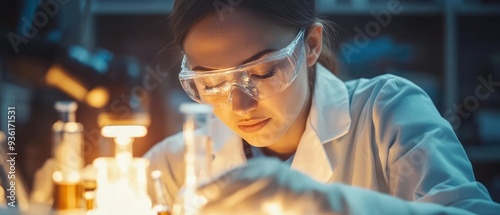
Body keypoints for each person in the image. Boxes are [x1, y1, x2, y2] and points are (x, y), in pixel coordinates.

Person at [145, 0, 500, 214]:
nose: (240, 104)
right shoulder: (174, 167)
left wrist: (316, 202)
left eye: (264, 71)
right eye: (212, 83)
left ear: (311, 45)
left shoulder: (387, 114)